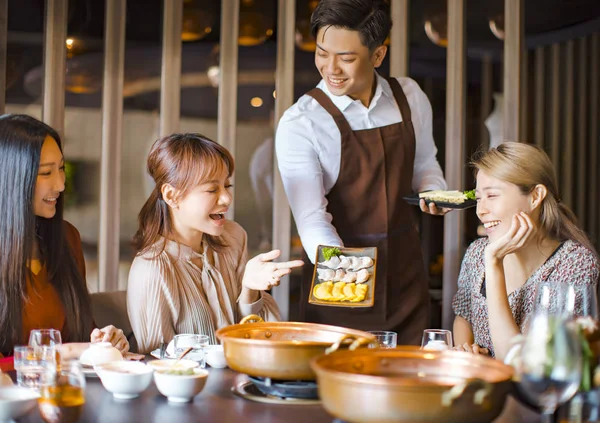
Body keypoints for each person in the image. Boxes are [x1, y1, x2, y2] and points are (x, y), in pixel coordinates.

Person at [275, 0, 447, 343]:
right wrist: (347, 275)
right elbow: (311, 218)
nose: (331, 68)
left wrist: (434, 190)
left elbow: (425, 163)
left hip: (405, 277)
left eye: (347, 58)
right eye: (322, 53)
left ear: (379, 56)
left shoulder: (410, 97)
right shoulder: (302, 122)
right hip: (341, 281)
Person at [127, 133, 303, 354]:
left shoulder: (233, 238)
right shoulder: (152, 268)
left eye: (227, 186)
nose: (227, 199)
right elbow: (156, 362)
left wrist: (250, 290)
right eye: (212, 189)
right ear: (171, 195)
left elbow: (261, 338)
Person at [452, 142, 599, 360]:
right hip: (482, 390)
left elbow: (519, 362)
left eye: (492, 196)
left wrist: (494, 264)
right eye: (478, 198)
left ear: (535, 196)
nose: (481, 211)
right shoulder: (477, 253)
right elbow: (464, 316)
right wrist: (466, 350)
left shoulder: (575, 263)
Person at [0, 114, 129, 358]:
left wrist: (103, 340)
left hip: (65, 390)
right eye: (46, 173)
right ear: (11, 179)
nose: (60, 184)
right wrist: (66, 351)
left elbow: (79, 335)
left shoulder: (67, 238)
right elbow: (71, 348)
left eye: (60, 168)